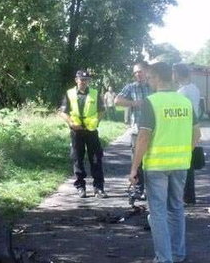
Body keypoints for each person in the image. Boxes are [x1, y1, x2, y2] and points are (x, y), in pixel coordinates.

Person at [129, 62, 199, 263]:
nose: (148, 81)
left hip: (157, 166)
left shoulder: (152, 102)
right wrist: (185, 152)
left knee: (158, 212)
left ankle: (164, 260)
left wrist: (134, 167)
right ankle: (178, 254)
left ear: (158, 77)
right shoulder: (184, 101)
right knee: (176, 208)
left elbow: (143, 137)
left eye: (150, 77)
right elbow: (197, 134)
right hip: (180, 164)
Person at [58, 70, 106, 199]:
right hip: (76, 131)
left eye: (86, 80)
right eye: (81, 80)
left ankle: (99, 188)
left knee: (96, 159)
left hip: (91, 131)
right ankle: (80, 187)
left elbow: (102, 110)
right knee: (77, 159)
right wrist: (71, 123)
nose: (83, 82)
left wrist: (97, 121)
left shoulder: (95, 93)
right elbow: (62, 112)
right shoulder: (69, 94)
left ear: (88, 81)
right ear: (76, 80)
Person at [115, 62, 151, 199]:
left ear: (147, 71)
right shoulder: (131, 87)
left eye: (140, 71)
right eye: (135, 72)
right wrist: (133, 103)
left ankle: (151, 189)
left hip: (154, 130)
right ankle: (139, 189)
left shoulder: (153, 86)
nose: (138, 74)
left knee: (152, 161)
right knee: (138, 160)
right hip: (137, 130)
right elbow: (117, 101)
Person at [174, 64, 201, 205]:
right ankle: (189, 196)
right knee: (188, 164)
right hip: (192, 128)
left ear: (178, 74)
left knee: (183, 165)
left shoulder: (181, 92)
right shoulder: (194, 89)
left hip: (183, 130)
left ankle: (186, 196)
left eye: (174, 73)